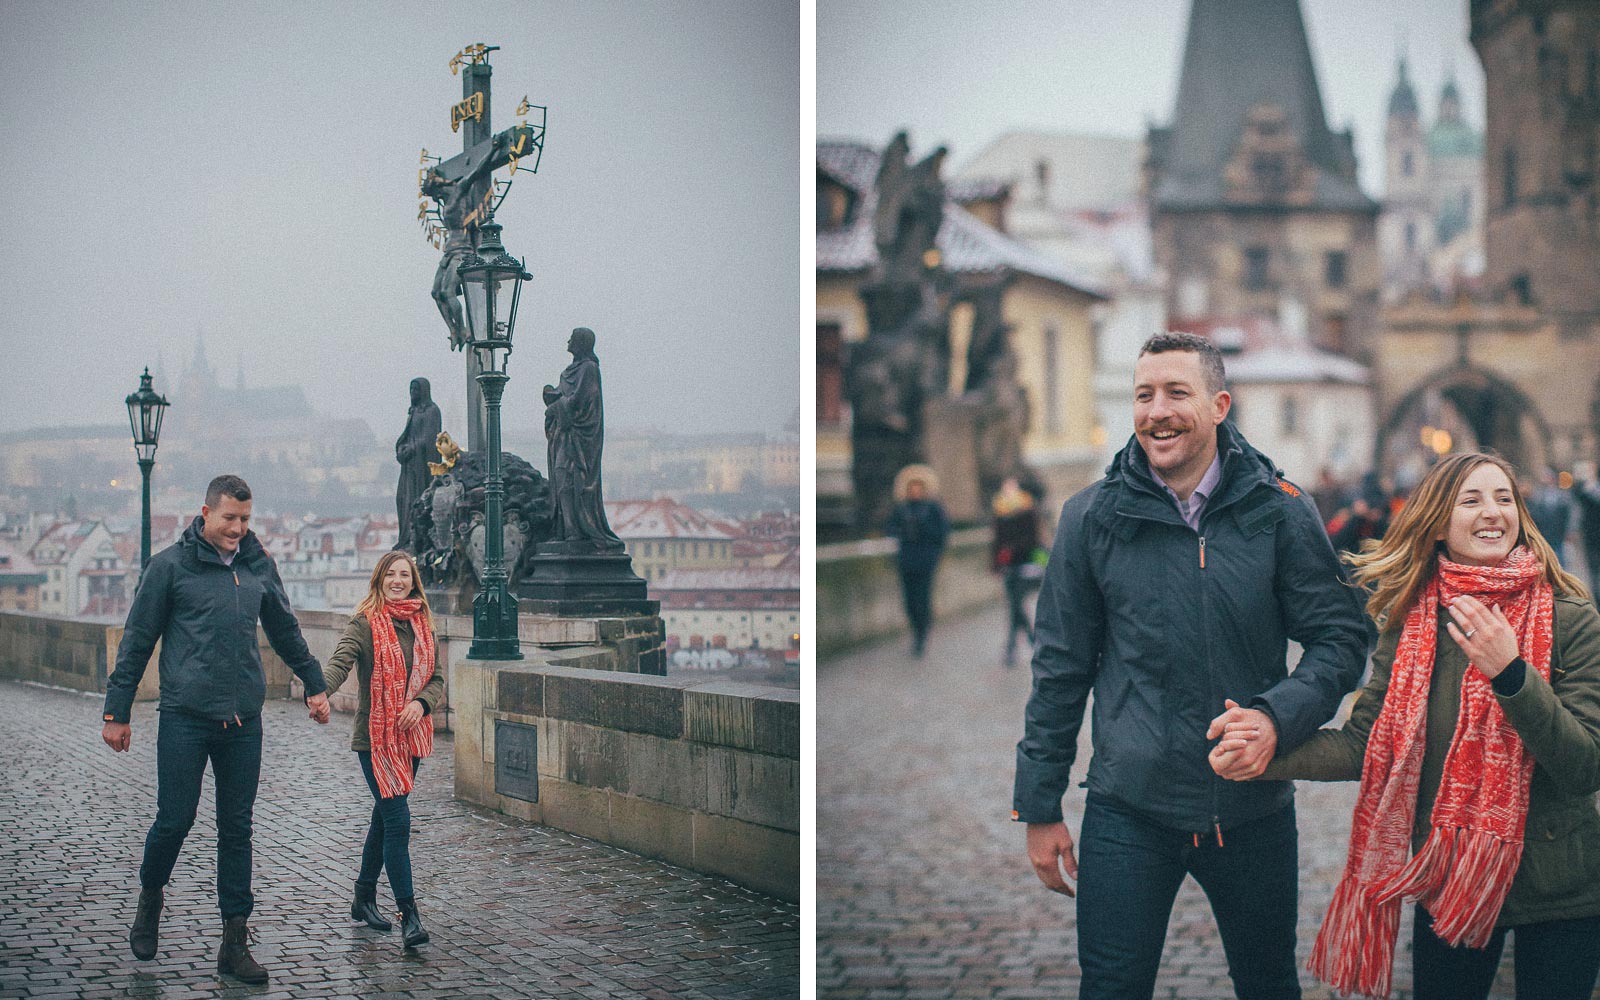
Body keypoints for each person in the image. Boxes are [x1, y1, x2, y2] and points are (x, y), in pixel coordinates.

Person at [1014, 332, 1372, 1000]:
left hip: (1253, 809)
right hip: (1129, 809)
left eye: (1177, 393)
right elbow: (1059, 669)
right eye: (1144, 394)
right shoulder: (1090, 518)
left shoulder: (1282, 510)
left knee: (1268, 984)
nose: (1157, 411)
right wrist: (1039, 805)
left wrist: (1276, 717)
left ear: (1218, 406)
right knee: (1113, 987)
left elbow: (1340, 640)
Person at [1211, 451, 1600, 1000]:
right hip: (1447, 881)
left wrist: (1511, 673)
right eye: (1471, 499)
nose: (1492, 512)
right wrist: (1265, 746)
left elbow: (1585, 766)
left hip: (1561, 886)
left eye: (1503, 498)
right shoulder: (1412, 622)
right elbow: (1363, 744)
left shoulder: (1573, 618)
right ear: (1439, 523)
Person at [100, 474, 331, 984]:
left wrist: (315, 685)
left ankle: (233, 942)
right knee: (174, 820)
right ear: (205, 513)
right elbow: (137, 640)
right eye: (229, 518)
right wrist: (117, 712)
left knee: (237, 829)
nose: (237, 528)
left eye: (246, 519)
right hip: (185, 717)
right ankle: (151, 897)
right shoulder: (169, 568)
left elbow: (285, 630)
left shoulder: (258, 565)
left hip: (243, 721)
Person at [320, 550, 444, 950]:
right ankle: (409, 915)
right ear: (379, 580)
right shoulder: (365, 624)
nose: (397, 580)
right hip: (375, 741)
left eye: (404, 575)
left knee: (384, 819)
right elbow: (339, 663)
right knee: (398, 821)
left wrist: (420, 703)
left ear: (413, 581)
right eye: (390, 574)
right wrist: (318, 690)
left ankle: (363, 896)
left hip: (411, 738)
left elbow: (437, 677)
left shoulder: (422, 624)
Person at [543, 327, 625, 549]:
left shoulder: (589, 369)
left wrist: (556, 405)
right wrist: (552, 395)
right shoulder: (570, 371)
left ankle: (576, 532)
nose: (568, 341)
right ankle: (566, 529)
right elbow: (564, 396)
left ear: (581, 342)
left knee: (572, 481)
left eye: (572, 338)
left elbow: (580, 400)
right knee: (561, 480)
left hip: (579, 438)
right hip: (565, 435)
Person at [884, 464, 949, 658]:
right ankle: (916, 630)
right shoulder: (902, 509)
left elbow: (941, 533)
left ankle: (922, 634)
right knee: (909, 600)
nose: (915, 491)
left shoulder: (932, 509)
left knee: (923, 598)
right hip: (906, 559)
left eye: (918, 487)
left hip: (925, 560)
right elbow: (889, 528)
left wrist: (925, 532)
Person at [991, 476, 1040, 667]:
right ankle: (1032, 640)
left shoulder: (1028, 510)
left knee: (1015, 605)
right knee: (1015, 606)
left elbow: (1032, 539)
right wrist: (996, 563)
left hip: (1024, 564)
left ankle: (1012, 648)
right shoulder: (999, 511)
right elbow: (996, 540)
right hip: (1007, 566)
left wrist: (1013, 550)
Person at [394, 377, 443, 550]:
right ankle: (406, 536)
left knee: (418, 500)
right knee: (403, 499)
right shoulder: (413, 411)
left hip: (422, 468)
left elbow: (430, 438)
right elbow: (406, 435)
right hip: (410, 467)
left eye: (415, 390)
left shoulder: (432, 411)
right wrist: (401, 447)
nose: (412, 394)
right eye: (411, 390)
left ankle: (419, 538)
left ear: (423, 391)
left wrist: (411, 448)